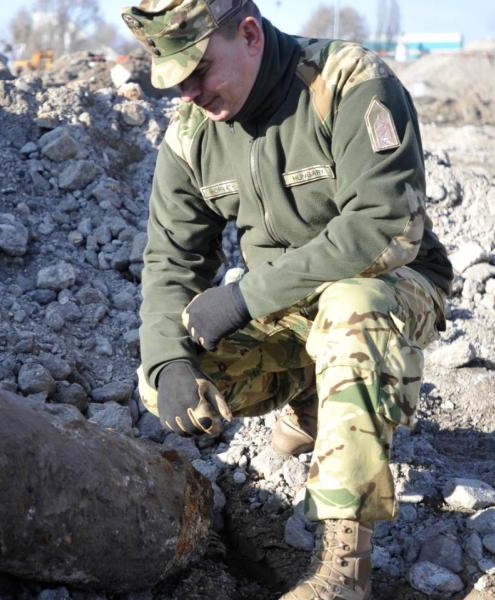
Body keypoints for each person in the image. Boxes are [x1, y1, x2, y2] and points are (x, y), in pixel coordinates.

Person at [120, 1, 453, 598]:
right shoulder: (191, 135)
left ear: (249, 35)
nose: (191, 94)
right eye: (177, 82)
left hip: (395, 286)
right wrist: (169, 359)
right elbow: (171, 259)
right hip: (288, 305)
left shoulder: (347, 81)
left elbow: (384, 226)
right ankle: (312, 391)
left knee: (352, 307)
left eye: (200, 72)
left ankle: (343, 570)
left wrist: (247, 295)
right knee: (161, 374)